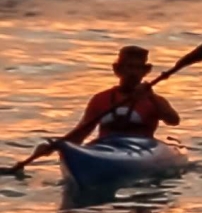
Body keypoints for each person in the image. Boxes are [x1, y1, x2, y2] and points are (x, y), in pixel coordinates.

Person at [11, 46, 182, 170]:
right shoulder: (101, 99)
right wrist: (57, 146)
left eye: (137, 68)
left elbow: (173, 120)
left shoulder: (154, 99)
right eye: (127, 67)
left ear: (145, 71)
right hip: (106, 148)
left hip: (142, 148)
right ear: (118, 70)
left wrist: (150, 96)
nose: (132, 72)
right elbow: (82, 132)